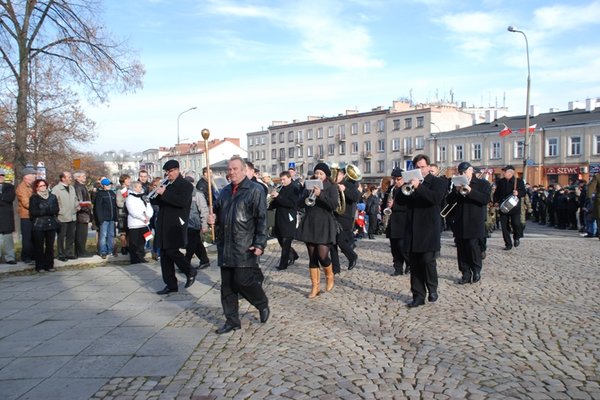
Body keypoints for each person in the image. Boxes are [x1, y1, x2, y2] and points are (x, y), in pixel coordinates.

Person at [207, 156, 269, 334]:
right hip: (226, 245)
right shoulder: (225, 191)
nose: (231, 172)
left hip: (244, 244)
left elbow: (261, 219)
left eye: (235, 169)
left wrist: (260, 243)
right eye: (229, 169)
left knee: (243, 281)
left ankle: (261, 302)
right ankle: (232, 320)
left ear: (243, 170)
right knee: (227, 286)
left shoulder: (255, 190)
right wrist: (214, 218)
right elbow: (219, 213)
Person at [404, 154, 447, 308]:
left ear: (428, 167)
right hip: (413, 229)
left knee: (427, 261)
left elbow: (435, 199)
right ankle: (418, 295)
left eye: (422, 167)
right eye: (417, 167)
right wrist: (403, 187)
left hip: (429, 228)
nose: (420, 170)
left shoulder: (438, 182)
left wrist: (419, 187)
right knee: (414, 264)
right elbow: (403, 202)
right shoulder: (411, 182)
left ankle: (432, 288)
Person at [152, 160, 195, 294]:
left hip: (176, 223)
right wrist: (154, 194)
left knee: (172, 251)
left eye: (170, 172)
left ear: (177, 170)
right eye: (166, 172)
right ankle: (171, 285)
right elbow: (159, 202)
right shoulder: (168, 185)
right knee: (164, 254)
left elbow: (181, 202)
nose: (168, 174)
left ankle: (190, 270)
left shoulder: (186, 185)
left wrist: (164, 193)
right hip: (164, 223)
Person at [296, 163, 338, 298]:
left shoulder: (331, 187)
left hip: (324, 223)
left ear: (326, 175)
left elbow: (333, 205)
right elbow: (300, 203)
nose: (318, 175)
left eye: (321, 173)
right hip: (310, 222)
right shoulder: (309, 186)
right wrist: (306, 195)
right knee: (312, 256)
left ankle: (329, 275)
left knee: (322, 255)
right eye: (316, 173)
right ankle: (315, 287)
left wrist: (320, 195)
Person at [446, 162, 491, 284]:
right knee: (461, 248)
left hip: (475, 220)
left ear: (471, 171)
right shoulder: (457, 183)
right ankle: (465, 273)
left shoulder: (483, 184)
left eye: (465, 172)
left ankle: (476, 270)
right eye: (460, 172)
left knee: (473, 246)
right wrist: (455, 191)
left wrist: (470, 191)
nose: (463, 174)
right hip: (460, 220)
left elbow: (485, 199)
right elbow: (449, 201)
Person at [330, 165, 360, 273]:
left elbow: (356, 197)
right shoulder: (332, 184)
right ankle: (335, 268)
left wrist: (345, 189)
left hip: (345, 218)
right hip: (333, 217)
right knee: (332, 244)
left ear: (342, 175)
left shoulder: (350, 184)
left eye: (337, 174)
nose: (335, 176)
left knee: (340, 241)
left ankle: (352, 256)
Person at [269, 171, 299, 270]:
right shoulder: (280, 188)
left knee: (286, 241)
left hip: (289, 218)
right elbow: (277, 203)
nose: (282, 181)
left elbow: (291, 203)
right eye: (281, 179)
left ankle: (283, 264)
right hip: (279, 217)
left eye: (284, 179)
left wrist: (278, 197)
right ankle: (294, 254)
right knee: (280, 239)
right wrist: (271, 202)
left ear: (290, 178)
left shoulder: (294, 189)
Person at [493, 165, 526, 250]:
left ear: (511, 172)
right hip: (503, 207)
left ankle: (516, 237)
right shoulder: (500, 182)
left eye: (505, 171)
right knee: (504, 227)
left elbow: (523, 192)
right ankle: (508, 244)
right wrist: (496, 202)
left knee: (516, 224)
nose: (503, 173)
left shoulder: (518, 181)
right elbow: (496, 193)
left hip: (514, 207)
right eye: (503, 171)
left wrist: (517, 193)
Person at [29, 179, 59, 272]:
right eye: (40, 186)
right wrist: (46, 211)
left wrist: (45, 211)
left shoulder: (52, 197)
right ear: (36, 188)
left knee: (50, 246)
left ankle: (50, 265)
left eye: (44, 185)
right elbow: (33, 212)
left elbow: (56, 209)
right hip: (39, 224)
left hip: (51, 223)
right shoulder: (34, 198)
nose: (43, 187)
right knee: (39, 246)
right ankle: (40, 266)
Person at [385, 167, 410, 276]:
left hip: (403, 222)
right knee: (394, 248)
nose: (396, 181)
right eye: (394, 179)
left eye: (398, 179)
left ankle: (410, 264)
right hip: (392, 222)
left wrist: (394, 205)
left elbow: (408, 206)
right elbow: (384, 204)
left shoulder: (407, 188)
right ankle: (398, 268)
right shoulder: (391, 189)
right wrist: (385, 207)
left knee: (402, 247)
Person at [184, 176, 211, 270]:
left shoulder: (197, 195)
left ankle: (185, 263)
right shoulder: (183, 194)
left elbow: (204, 210)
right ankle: (204, 260)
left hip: (195, 224)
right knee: (196, 243)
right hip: (186, 223)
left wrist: (204, 224)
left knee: (191, 244)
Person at [52, 171, 78, 261]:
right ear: (63, 178)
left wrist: (77, 205)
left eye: (71, 177)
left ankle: (69, 253)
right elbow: (54, 202)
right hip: (62, 216)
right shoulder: (56, 189)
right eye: (69, 177)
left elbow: (75, 199)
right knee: (61, 236)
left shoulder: (72, 188)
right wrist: (60, 211)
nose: (71, 178)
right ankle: (61, 254)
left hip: (72, 215)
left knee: (71, 236)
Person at [125, 181, 154, 264]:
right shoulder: (130, 198)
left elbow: (149, 206)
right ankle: (134, 259)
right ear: (134, 188)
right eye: (138, 186)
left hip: (145, 223)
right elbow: (132, 211)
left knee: (142, 241)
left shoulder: (143, 196)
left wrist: (149, 216)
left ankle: (141, 257)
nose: (141, 188)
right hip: (135, 224)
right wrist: (142, 218)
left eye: (141, 186)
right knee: (134, 242)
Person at [16, 167, 37, 264]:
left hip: (33, 215)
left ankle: (33, 255)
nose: (34, 176)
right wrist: (39, 206)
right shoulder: (21, 188)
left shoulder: (32, 187)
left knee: (34, 237)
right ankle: (26, 257)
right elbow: (26, 203)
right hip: (26, 216)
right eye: (33, 174)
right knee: (27, 238)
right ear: (26, 176)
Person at [93, 178, 118, 259]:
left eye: (110, 184)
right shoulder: (100, 194)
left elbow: (115, 207)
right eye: (107, 185)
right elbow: (98, 208)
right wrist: (100, 219)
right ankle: (103, 251)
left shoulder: (112, 193)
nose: (109, 186)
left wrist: (116, 218)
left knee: (111, 234)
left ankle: (110, 250)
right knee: (103, 235)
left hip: (112, 218)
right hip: (104, 218)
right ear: (103, 185)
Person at [73, 171, 93, 258]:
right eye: (83, 176)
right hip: (81, 214)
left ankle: (82, 251)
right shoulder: (78, 187)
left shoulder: (82, 186)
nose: (85, 177)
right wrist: (87, 208)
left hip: (84, 214)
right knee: (81, 234)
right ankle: (81, 252)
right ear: (77, 178)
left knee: (83, 234)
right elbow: (80, 202)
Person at [0, 169, 17, 265]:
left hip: (6, 216)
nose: (1, 177)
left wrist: (2, 197)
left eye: (2, 175)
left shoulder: (9, 186)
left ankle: (10, 258)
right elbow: (4, 199)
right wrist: (3, 197)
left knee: (8, 239)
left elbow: (9, 198)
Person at [115, 174, 131, 255]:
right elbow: (119, 203)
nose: (129, 181)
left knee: (129, 232)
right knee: (123, 232)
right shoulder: (120, 190)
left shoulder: (130, 189)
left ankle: (128, 246)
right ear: (123, 181)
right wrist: (128, 204)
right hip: (122, 214)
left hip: (130, 214)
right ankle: (124, 247)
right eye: (127, 179)